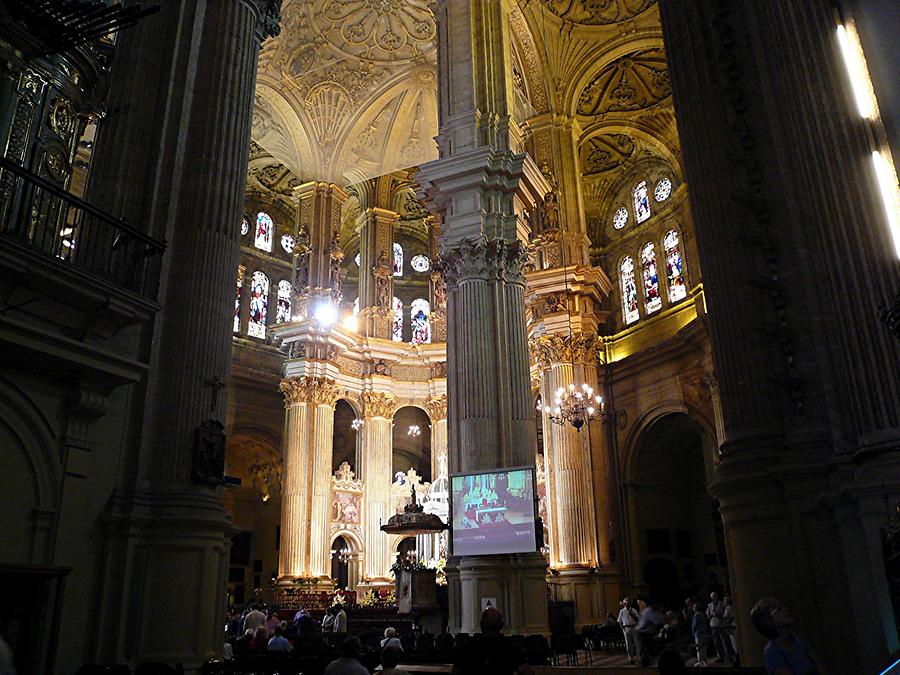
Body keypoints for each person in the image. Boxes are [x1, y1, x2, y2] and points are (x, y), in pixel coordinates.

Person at [749, 598, 822, 675]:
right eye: (778, 610)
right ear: (768, 622)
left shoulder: (797, 639)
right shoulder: (772, 652)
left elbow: (820, 665)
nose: (785, 610)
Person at [452, 607, 533, 675]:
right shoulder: (510, 649)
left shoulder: (467, 650)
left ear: (481, 625)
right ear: (501, 625)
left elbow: (456, 671)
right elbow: (527, 672)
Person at [635, 598, 666, 667]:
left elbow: (661, 617)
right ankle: (644, 665)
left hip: (647, 633)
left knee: (649, 650)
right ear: (654, 605)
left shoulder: (654, 611)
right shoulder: (649, 611)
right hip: (642, 633)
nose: (659, 607)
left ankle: (647, 663)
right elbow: (656, 621)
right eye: (658, 605)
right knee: (646, 650)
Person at [617, 597, 640, 665]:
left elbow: (638, 619)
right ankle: (631, 658)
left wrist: (632, 615)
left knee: (637, 644)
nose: (627, 604)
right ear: (624, 604)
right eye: (626, 603)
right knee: (628, 644)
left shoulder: (634, 610)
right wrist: (623, 629)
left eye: (629, 603)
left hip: (634, 627)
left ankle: (638, 658)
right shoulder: (622, 611)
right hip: (626, 628)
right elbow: (619, 621)